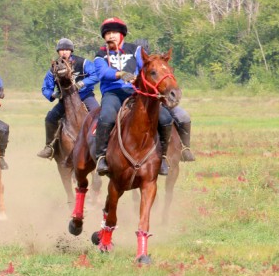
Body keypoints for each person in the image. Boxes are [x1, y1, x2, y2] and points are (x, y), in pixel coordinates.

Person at [92, 17, 174, 176]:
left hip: (135, 92)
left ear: (122, 34)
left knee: (165, 118)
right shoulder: (100, 54)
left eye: (114, 32)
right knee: (107, 116)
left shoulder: (135, 50)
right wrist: (119, 74)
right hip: (113, 93)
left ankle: (162, 157)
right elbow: (102, 73)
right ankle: (101, 156)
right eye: (107, 33)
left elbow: (145, 66)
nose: (111, 36)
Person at [37, 38, 99, 159]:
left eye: (66, 50)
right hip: (65, 100)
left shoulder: (82, 63)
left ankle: (102, 144)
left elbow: (96, 74)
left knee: (99, 114)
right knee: (50, 118)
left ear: (71, 51)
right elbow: (46, 88)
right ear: (58, 52)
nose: (64, 52)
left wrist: (82, 83)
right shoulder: (53, 68)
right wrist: (53, 95)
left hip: (85, 96)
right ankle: (49, 146)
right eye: (61, 50)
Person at [135, 39, 195, 162]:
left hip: (160, 100)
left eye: (144, 51)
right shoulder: (131, 65)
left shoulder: (155, 64)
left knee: (183, 116)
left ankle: (185, 149)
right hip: (140, 101)